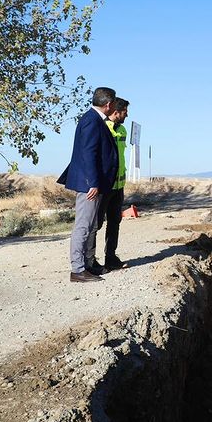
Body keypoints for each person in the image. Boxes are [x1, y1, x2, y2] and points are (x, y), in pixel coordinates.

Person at [58, 87, 118, 282]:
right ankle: (77, 269)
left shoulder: (95, 120)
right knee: (83, 226)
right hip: (89, 185)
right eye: (114, 103)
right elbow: (88, 153)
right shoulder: (92, 121)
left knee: (90, 225)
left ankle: (87, 265)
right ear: (108, 104)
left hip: (95, 184)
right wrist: (92, 183)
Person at [97, 97, 129, 270]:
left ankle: (111, 257)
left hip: (118, 186)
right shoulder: (102, 128)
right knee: (96, 224)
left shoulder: (123, 130)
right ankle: (90, 260)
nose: (127, 115)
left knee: (115, 221)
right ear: (116, 111)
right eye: (125, 112)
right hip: (105, 186)